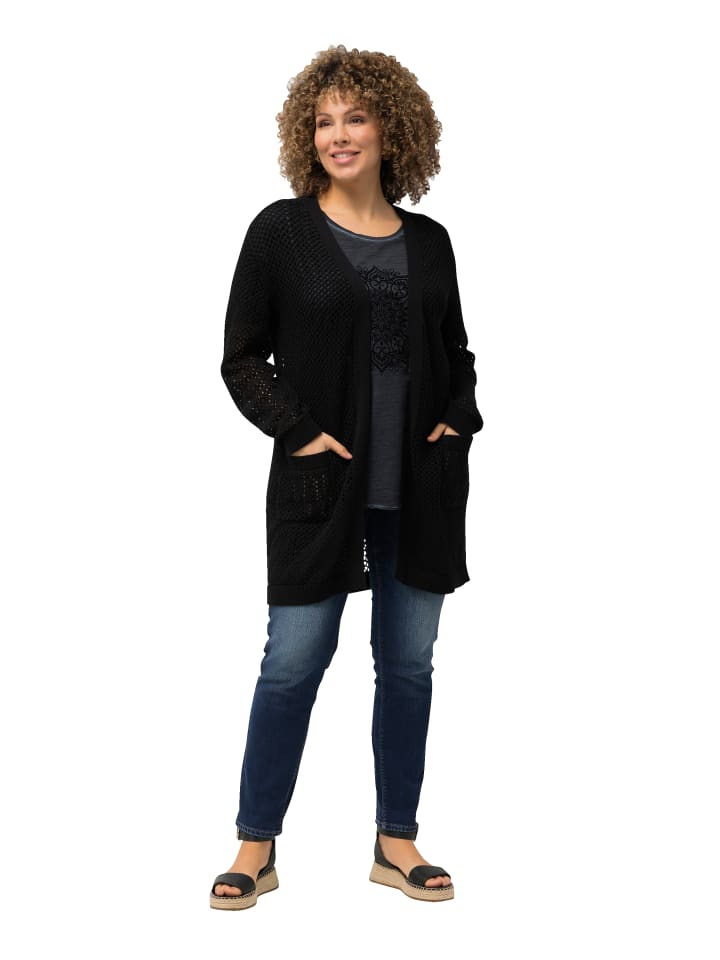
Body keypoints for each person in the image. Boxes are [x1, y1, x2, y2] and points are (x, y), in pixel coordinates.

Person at [210, 44, 483, 909]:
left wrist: (457, 417)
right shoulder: (282, 233)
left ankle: (395, 841)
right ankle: (255, 845)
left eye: (355, 117)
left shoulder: (430, 243)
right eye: (323, 121)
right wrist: (297, 432)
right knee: (292, 663)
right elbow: (241, 358)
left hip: (421, 489)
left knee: (408, 667)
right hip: (319, 491)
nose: (338, 134)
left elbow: (457, 354)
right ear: (306, 134)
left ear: (391, 128)